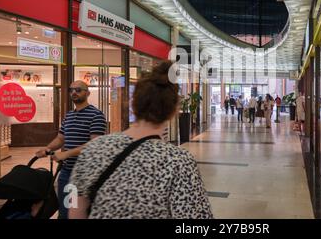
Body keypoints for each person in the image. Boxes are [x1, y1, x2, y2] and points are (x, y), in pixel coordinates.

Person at [68, 61, 213, 219]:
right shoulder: (178, 162)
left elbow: (75, 210)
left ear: (133, 105)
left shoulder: (93, 150)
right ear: (174, 111)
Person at [35, 80, 107, 219]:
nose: (74, 92)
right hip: (66, 172)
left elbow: (95, 144)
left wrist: (66, 154)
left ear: (88, 93)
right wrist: (48, 148)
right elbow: (60, 139)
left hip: (85, 173)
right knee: (64, 210)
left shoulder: (96, 115)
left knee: (76, 212)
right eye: (71, 90)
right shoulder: (69, 115)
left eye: (79, 89)